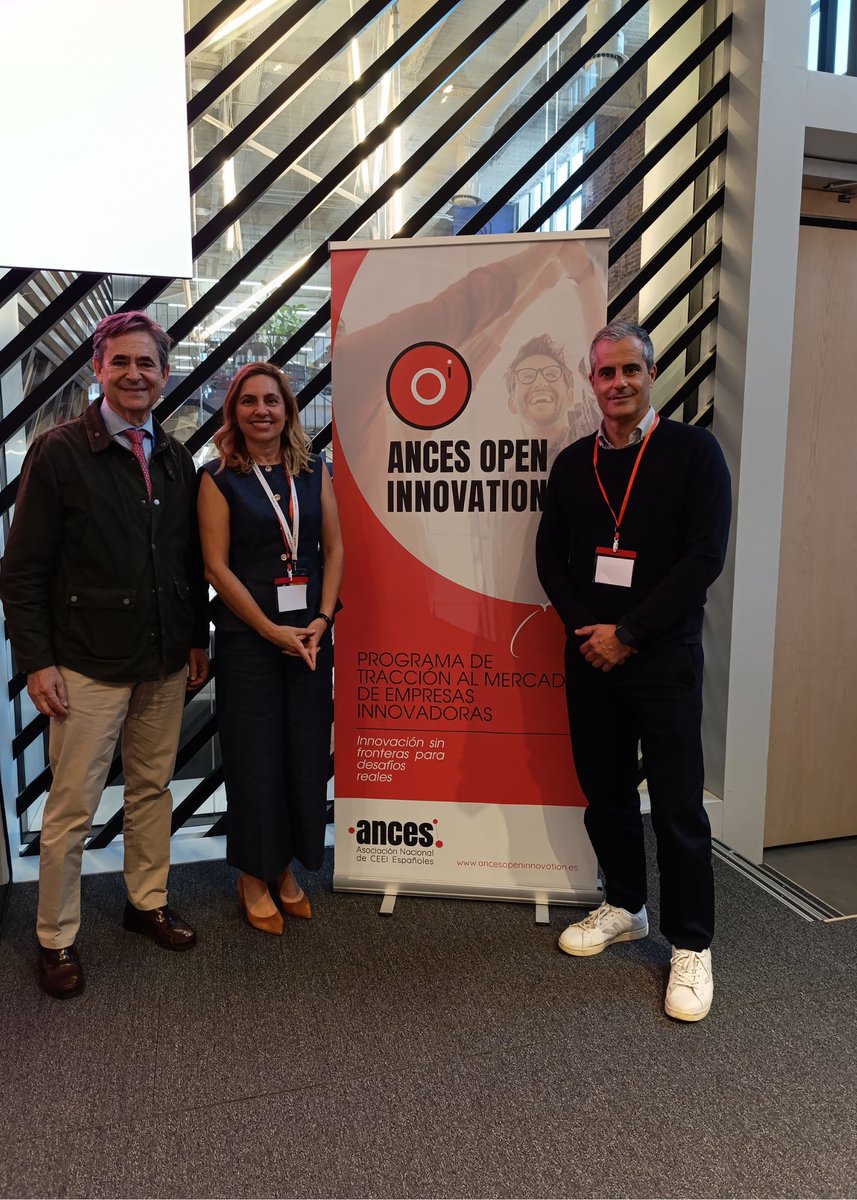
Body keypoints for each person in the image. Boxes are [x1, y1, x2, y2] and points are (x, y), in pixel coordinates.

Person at [0, 311, 210, 999]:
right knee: (71, 807)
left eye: (146, 363)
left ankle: (145, 902)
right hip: (85, 664)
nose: (134, 374)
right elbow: (22, 570)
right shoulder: (59, 452)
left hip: (163, 659)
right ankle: (56, 937)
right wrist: (36, 661)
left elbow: (186, 561)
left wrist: (196, 638)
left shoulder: (174, 456)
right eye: (120, 361)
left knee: (151, 789)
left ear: (165, 374)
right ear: (98, 368)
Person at [535, 320, 731, 1022]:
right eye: (605, 372)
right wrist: (592, 634)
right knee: (606, 794)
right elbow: (550, 560)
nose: (618, 383)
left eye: (630, 369)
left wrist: (629, 633)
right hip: (591, 656)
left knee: (677, 806)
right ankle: (624, 904)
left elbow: (704, 558)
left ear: (650, 374)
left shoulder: (693, 453)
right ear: (590, 382)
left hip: (663, 657)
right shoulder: (571, 464)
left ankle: (691, 943)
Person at [197, 362, 343, 935]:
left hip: (309, 640)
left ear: (288, 410)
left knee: (304, 755)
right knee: (255, 759)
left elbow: (334, 550)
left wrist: (323, 618)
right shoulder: (218, 478)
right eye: (249, 401)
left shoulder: (314, 471)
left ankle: (284, 867)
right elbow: (215, 566)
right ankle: (253, 876)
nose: (262, 410)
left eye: (272, 400)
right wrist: (267, 628)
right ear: (234, 412)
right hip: (249, 643)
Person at [505, 333, 601, 462]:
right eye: (527, 376)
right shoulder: (509, 472)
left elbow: (599, 365)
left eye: (551, 374)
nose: (540, 382)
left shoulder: (590, 433)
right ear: (512, 404)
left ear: (570, 396)